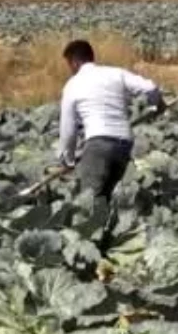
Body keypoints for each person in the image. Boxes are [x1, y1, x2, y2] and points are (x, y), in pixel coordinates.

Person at [56, 38, 166, 207]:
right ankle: (107, 230)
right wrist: (156, 104)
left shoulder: (72, 85)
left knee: (90, 201)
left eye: (69, 64)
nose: (69, 69)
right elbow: (150, 88)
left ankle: (94, 231)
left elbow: (68, 131)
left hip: (98, 144)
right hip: (124, 143)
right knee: (109, 197)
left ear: (75, 62)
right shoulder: (115, 73)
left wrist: (68, 160)